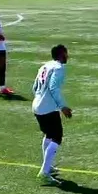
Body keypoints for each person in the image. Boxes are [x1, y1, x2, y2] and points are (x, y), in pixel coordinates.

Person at [32, 44, 72, 185]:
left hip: (37, 105)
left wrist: (39, 99)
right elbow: (53, 88)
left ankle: (47, 167)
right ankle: (44, 172)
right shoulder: (58, 68)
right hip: (48, 108)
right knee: (57, 137)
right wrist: (63, 106)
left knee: (49, 135)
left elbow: (34, 87)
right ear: (61, 54)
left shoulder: (45, 66)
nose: (68, 56)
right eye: (66, 53)